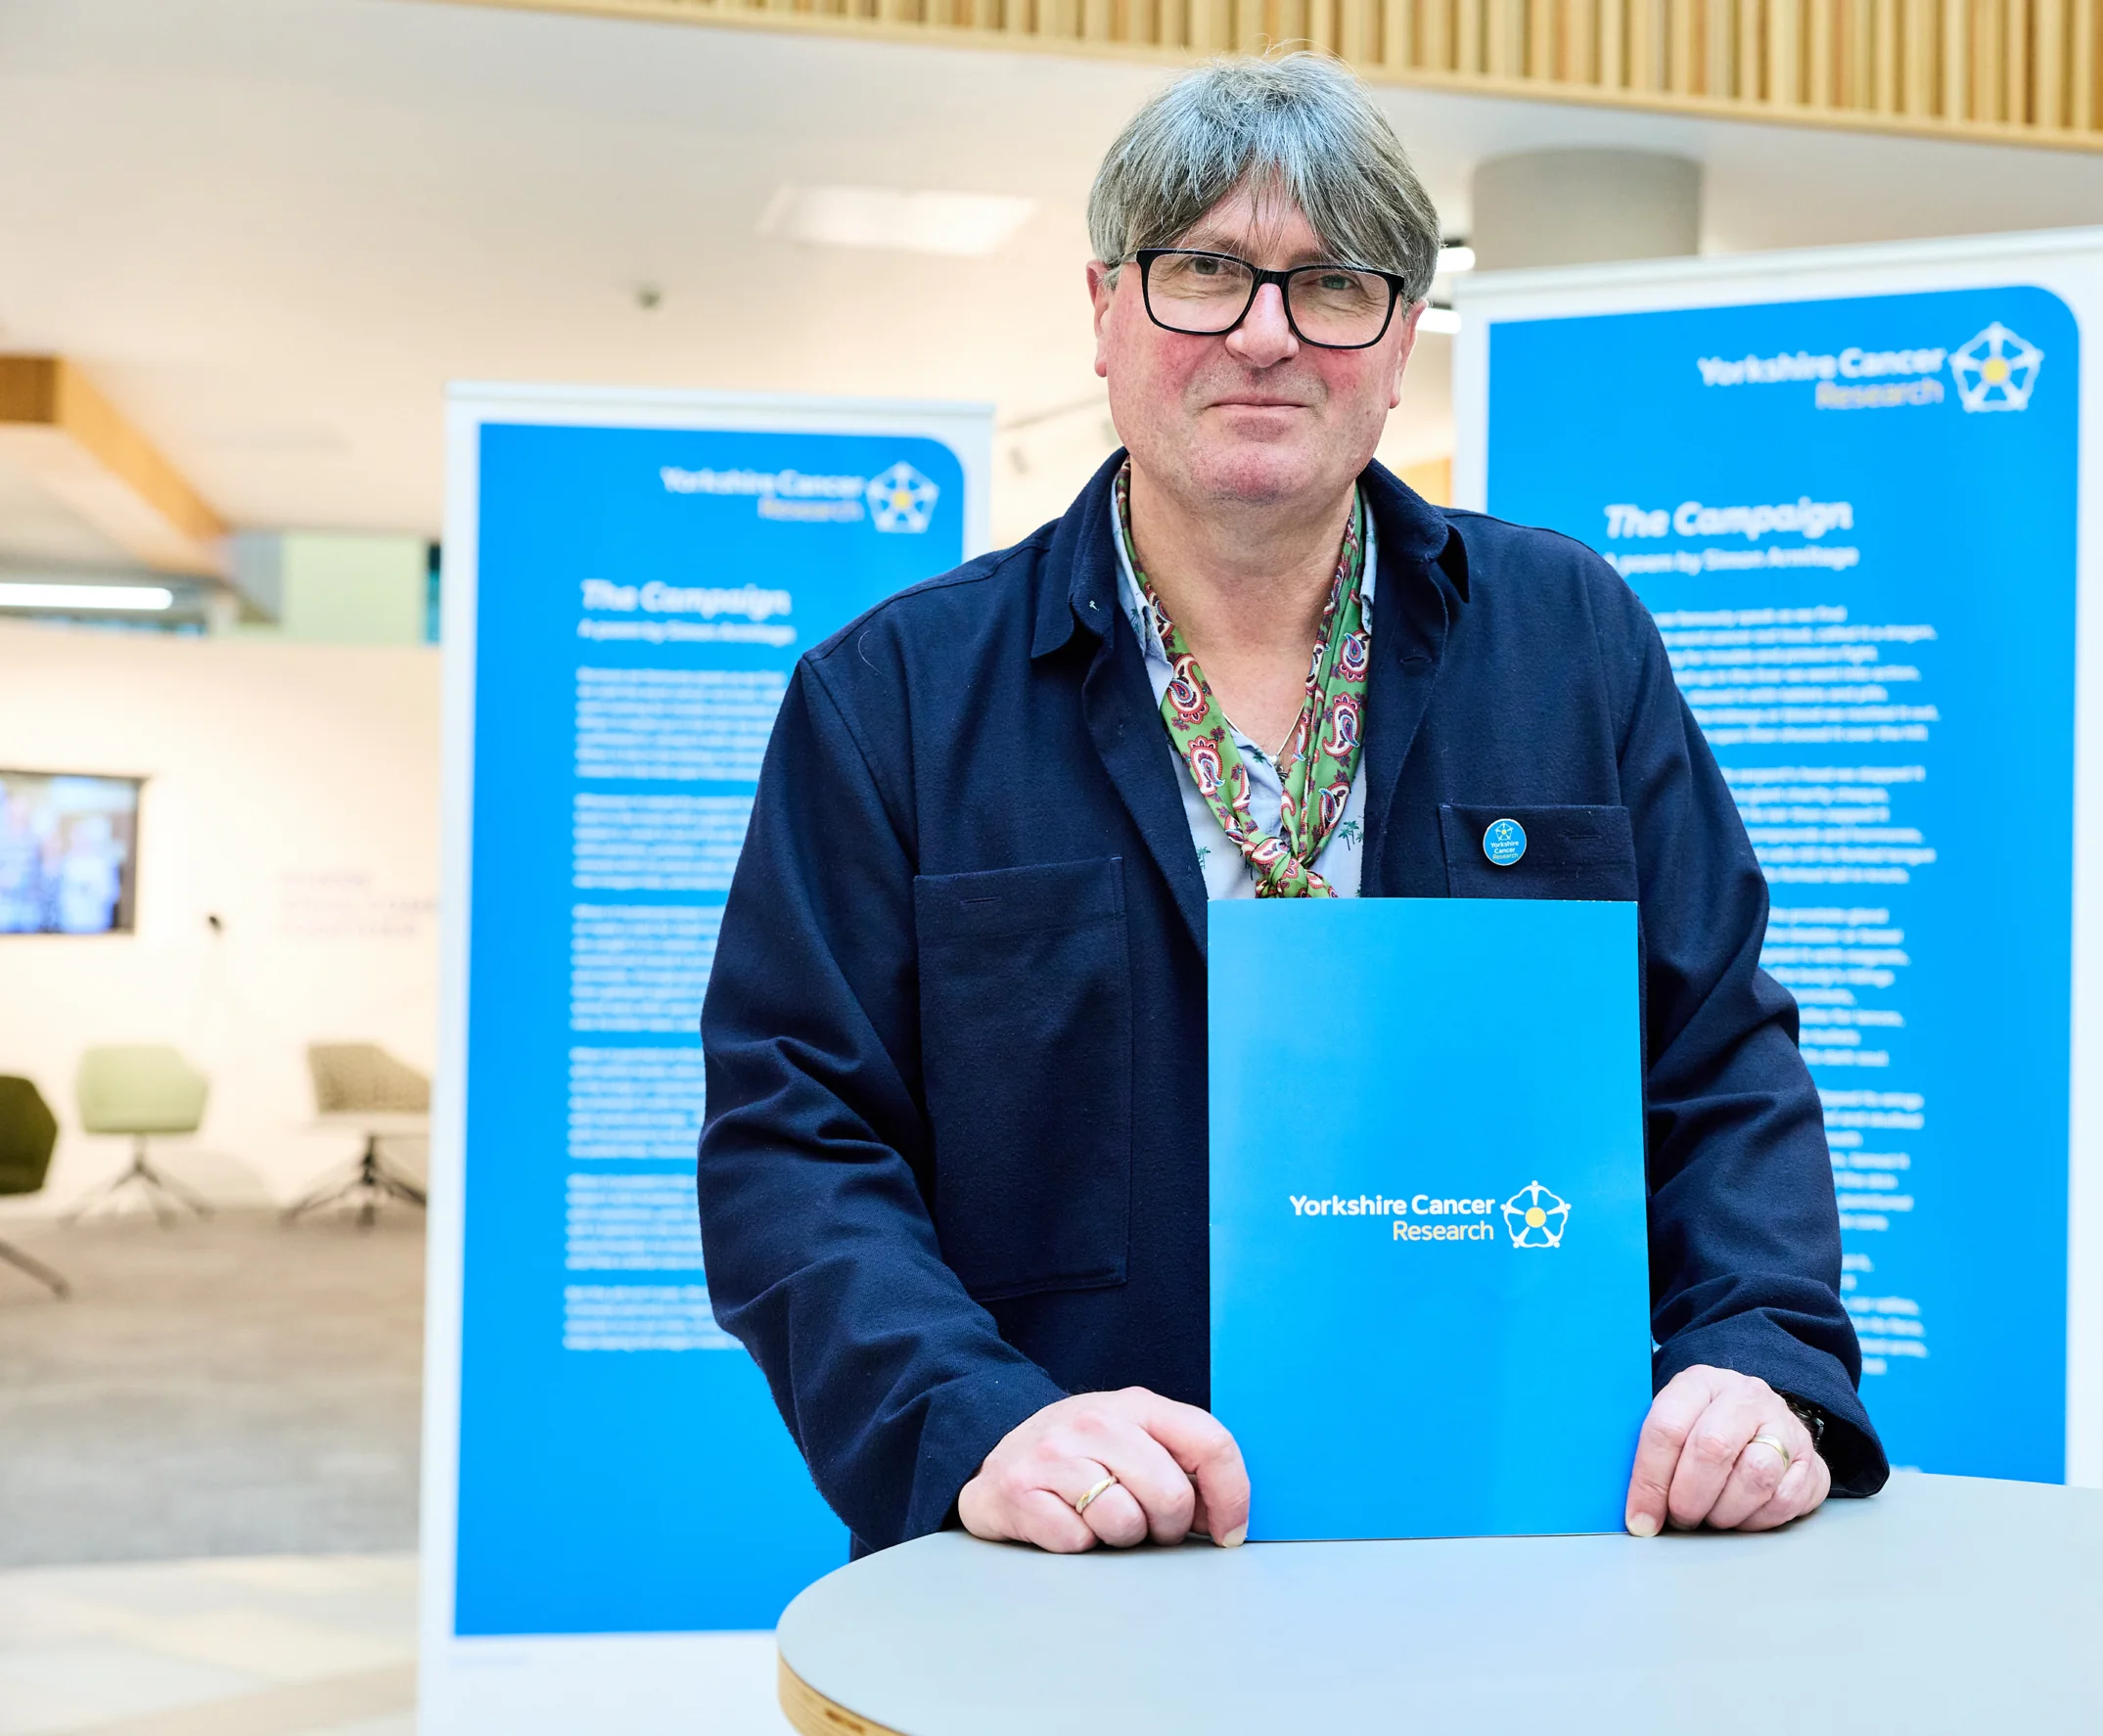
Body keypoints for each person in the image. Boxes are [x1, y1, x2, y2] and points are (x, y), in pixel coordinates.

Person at [699, 51, 1885, 1558]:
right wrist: (977, 1418)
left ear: (1398, 346)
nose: (1266, 336)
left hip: (1520, 1532)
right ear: (1106, 313)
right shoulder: (892, 701)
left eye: (1334, 285)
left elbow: (1713, 1054)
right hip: (1079, 1553)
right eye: (1205, 270)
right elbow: (795, 1139)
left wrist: (1760, 1357)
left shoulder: (1569, 637)